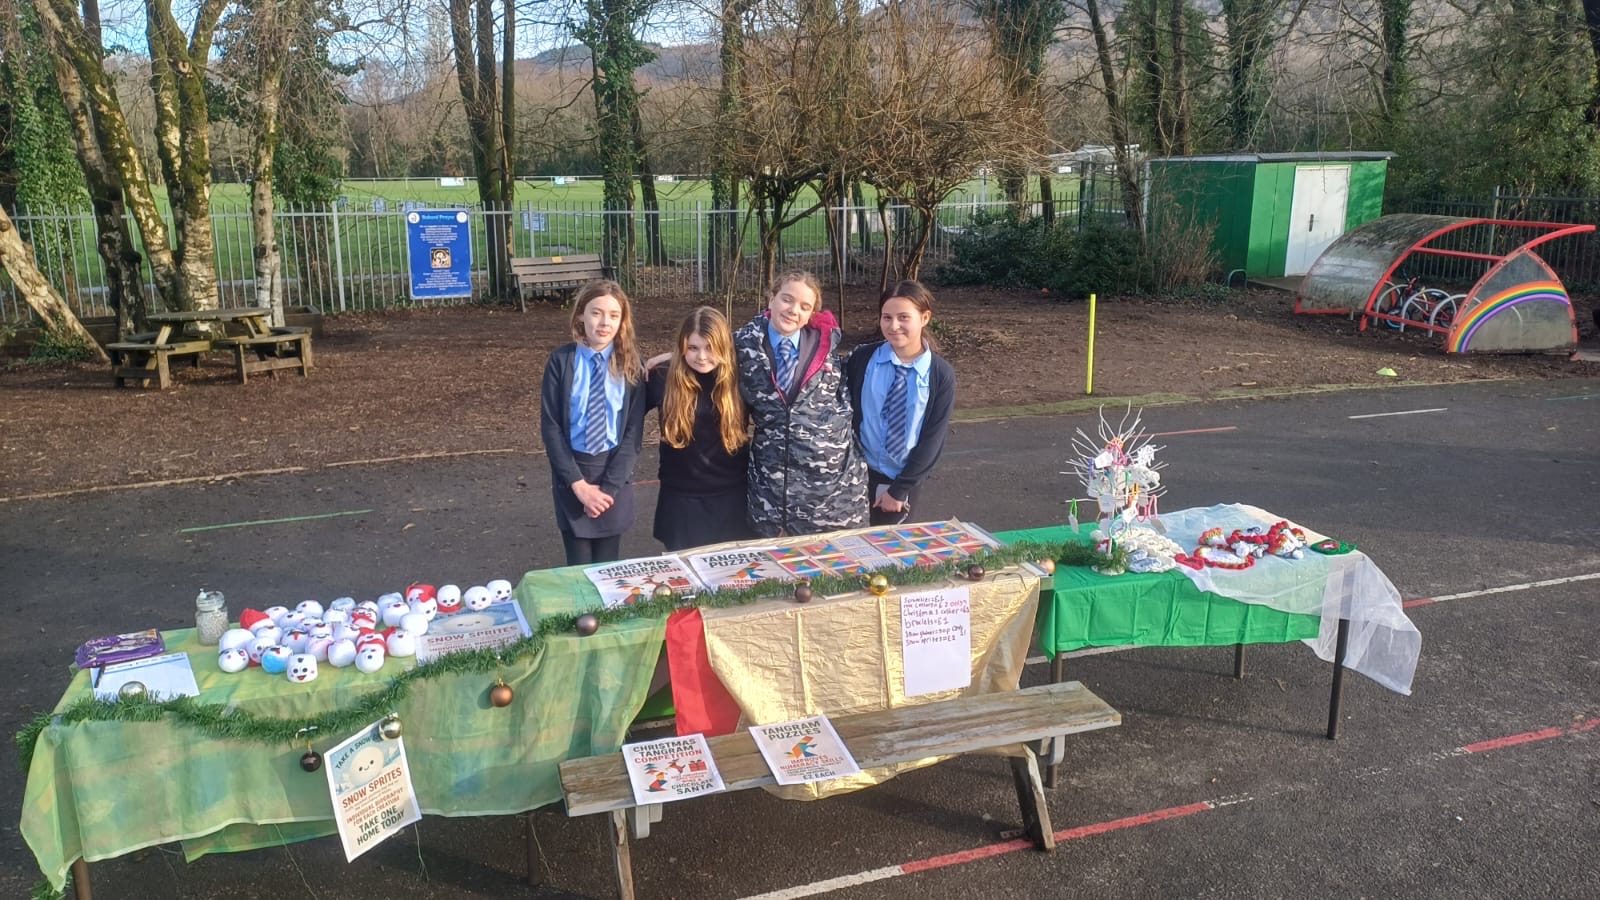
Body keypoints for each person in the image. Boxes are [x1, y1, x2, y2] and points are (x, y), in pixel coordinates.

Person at [734, 271, 868, 537]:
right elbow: (700, 355)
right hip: (773, 500)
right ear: (771, 299)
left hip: (834, 500)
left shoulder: (830, 350)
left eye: (805, 307)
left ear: (811, 315)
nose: (793, 310)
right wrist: (668, 358)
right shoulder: (740, 347)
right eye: (787, 299)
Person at [539, 280, 646, 566]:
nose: (604, 322)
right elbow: (551, 427)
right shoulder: (561, 361)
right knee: (579, 568)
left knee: (608, 567)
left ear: (622, 321)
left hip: (613, 477)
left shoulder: (632, 366)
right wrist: (579, 486)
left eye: (614, 315)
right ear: (580, 316)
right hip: (574, 476)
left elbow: (633, 434)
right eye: (596, 313)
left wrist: (607, 490)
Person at [846, 280, 957, 526]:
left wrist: (899, 489)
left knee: (889, 546)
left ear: (925, 318)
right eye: (887, 317)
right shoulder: (862, 359)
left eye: (903, 317)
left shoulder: (940, 375)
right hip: (855, 477)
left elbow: (932, 439)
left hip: (900, 483)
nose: (893, 326)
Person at [644, 306, 754, 551]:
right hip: (680, 501)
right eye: (693, 348)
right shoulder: (663, 377)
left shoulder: (741, 376)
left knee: (732, 572)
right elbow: (623, 419)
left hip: (732, 498)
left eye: (710, 347)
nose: (702, 356)